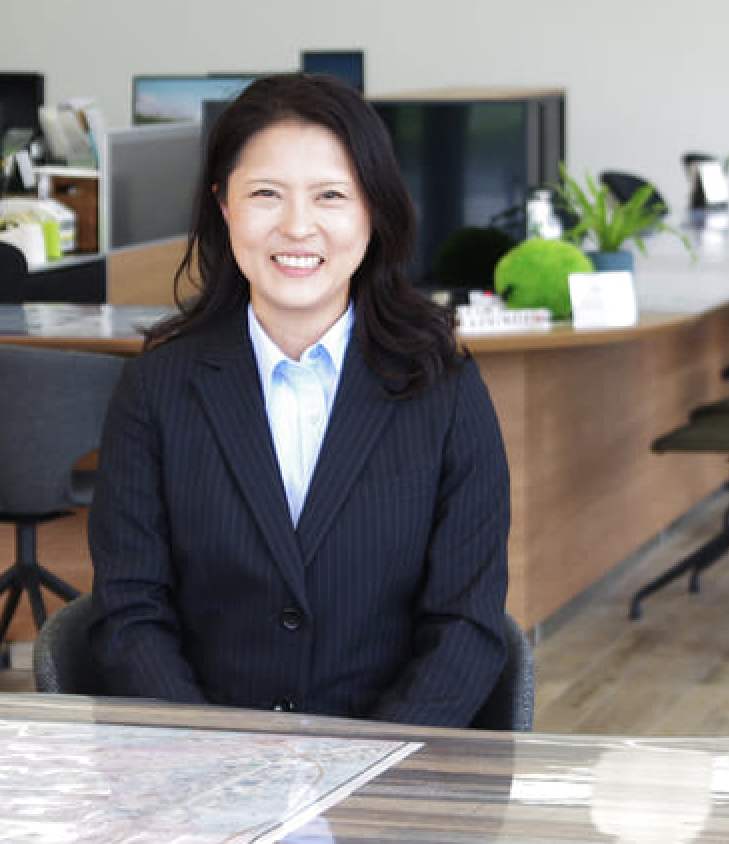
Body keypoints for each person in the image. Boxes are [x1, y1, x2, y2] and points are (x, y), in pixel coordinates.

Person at [87, 72, 510, 727]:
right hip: (202, 768)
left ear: (373, 211)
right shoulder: (156, 388)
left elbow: (466, 623)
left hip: (390, 768)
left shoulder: (444, 388)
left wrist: (371, 767)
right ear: (224, 206)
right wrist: (214, 759)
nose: (297, 227)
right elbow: (129, 614)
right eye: (265, 194)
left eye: (330, 196)